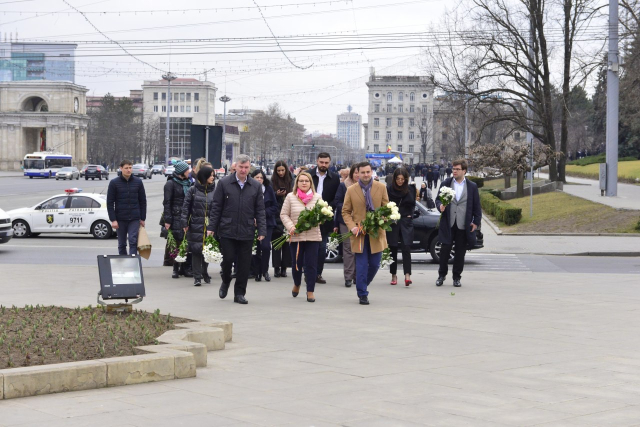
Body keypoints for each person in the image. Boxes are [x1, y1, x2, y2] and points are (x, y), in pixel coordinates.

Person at [208, 154, 266, 305]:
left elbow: (260, 210)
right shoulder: (224, 183)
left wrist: (261, 230)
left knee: (244, 264)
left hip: (246, 230)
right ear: (236, 167)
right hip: (227, 229)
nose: (243, 170)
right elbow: (216, 207)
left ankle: (239, 293)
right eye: (241, 167)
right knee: (227, 260)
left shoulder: (255, 186)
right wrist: (211, 228)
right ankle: (226, 280)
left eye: (246, 167)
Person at [342, 162, 389, 305]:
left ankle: (362, 284)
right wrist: (352, 227)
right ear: (358, 173)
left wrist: (381, 220)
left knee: (374, 265)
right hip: (359, 234)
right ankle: (362, 293)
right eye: (362, 172)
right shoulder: (351, 190)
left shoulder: (381, 187)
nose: (365, 175)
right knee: (361, 265)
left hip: (376, 232)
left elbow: (386, 208)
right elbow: (345, 212)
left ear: (372, 172)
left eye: (368, 172)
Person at [435, 159, 482, 288]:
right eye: (453, 168)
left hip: (463, 224)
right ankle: (441, 275)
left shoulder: (472, 186)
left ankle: (456, 277)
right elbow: (438, 199)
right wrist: (440, 206)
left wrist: (475, 222)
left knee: (460, 252)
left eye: (457, 169)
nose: (454, 171)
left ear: (464, 171)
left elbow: (477, 206)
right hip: (448, 223)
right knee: (445, 251)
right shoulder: (446, 183)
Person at [280, 172, 322, 303]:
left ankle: (310, 291)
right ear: (297, 183)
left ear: (311, 183)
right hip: (296, 236)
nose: (304, 183)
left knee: (311, 264)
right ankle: (297, 283)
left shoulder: (317, 197)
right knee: (297, 264)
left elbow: (322, 216)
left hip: (312, 236)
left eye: (307, 181)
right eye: (301, 181)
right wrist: (291, 227)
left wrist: (316, 220)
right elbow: (284, 214)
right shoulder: (290, 197)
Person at [181, 166, 215, 286]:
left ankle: (204, 272)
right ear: (204, 176)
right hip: (196, 224)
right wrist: (184, 222)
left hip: (209, 225)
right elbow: (185, 208)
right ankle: (197, 277)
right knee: (196, 250)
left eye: (213, 175)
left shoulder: (214, 190)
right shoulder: (193, 190)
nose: (213, 177)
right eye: (210, 175)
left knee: (207, 251)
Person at [310, 152, 340, 285]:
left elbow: (336, 198)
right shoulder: (308, 175)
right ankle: (308, 271)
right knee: (309, 246)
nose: (323, 165)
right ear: (317, 161)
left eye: (326, 163)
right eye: (321, 162)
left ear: (330, 163)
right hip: (308, 216)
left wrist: (327, 209)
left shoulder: (334, 178)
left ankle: (318, 273)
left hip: (325, 217)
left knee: (322, 247)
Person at [107, 159, 147, 255]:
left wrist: (142, 218)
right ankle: (123, 264)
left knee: (133, 241)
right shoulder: (114, 183)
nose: (129, 170)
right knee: (122, 243)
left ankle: (133, 263)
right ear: (121, 168)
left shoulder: (138, 182)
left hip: (134, 218)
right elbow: (110, 202)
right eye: (126, 168)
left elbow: (142, 201)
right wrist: (113, 220)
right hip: (120, 218)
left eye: (130, 168)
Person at [386, 168, 415, 287]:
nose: (400, 181)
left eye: (402, 179)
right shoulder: (389, 189)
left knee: (406, 248)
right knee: (392, 248)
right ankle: (393, 275)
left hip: (405, 221)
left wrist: (410, 215)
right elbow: (385, 204)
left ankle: (407, 275)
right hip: (392, 221)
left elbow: (413, 205)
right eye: (398, 179)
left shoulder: (410, 189)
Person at [163, 161, 193, 279]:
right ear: (182, 172)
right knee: (176, 243)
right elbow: (167, 203)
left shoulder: (188, 183)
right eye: (187, 170)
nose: (189, 172)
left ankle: (184, 268)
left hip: (186, 216)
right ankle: (175, 268)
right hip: (175, 216)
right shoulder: (170, 184)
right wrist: (168, 220)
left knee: (186, 243)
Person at [334, 163, 359, 288]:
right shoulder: (343, 186)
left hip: (361, 222)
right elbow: (337, 202)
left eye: (361, 172)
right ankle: (348, 277)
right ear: (352, 173)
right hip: (345, 220)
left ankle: (357, 275)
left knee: (359, 249)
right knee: (348, 249)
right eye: (356, 172)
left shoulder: (366, 187)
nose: (358, 175)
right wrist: (347, 208)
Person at [251, 169, 278, 282]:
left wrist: (263, 213)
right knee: (256, 248)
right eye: (257, 177)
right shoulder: (248, 189)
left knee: (266, 247)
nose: (259, 179)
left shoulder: (268, 189)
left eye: (261, 177)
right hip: (252, 223)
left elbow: (274, 206)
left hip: (267, 222)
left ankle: (265, 270)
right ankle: (257, 272)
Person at [270, 161, 293, 278]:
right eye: (278, 170)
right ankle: (276, 268)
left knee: (287, 244)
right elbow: (269, 197)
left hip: (288, 215)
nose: (281, 173)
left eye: (282, 170)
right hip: (276, 215)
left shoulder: (291, 180)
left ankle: (284, 268)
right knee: (276, 244)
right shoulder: (272, 181)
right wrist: (276, 194)